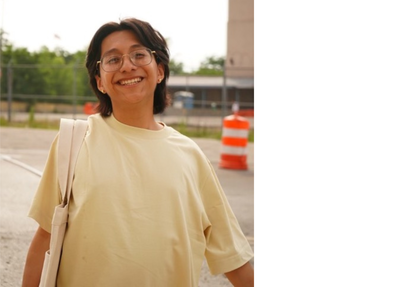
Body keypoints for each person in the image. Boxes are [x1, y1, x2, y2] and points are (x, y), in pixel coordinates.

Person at [22, 18, 254, 287]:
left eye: (139, 54)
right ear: (100, 81)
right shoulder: (74, 140)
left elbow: (233, 258)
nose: (127, 65)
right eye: (112, 59)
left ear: (160, 71)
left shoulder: (190, 156)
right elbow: (45, 236)